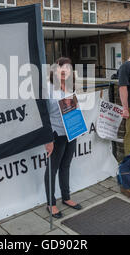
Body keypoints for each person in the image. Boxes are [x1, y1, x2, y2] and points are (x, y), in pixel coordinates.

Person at [44, 57, 82, 219]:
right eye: (62, 68)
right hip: (55, 135)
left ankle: (66, 197)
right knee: (52, 169)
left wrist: (78, 125)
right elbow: (43, 116)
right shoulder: (47, 89)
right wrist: (47, 139)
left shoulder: (70, 87)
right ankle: (51, 203)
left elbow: (74, 108)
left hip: (71, 133)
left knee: (65, 165)